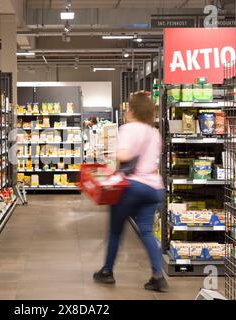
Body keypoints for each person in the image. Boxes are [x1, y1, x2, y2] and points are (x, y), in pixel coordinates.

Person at [93, 91, 168, 292]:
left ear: (132, 110)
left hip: (132, 187)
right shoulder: (154, 132)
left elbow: (124, 155)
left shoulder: (128, 129)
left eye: (127, 108)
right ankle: (157, 275)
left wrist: (112, 152)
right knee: (147, 231)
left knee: (116, 230)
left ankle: (107, 271)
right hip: (154, 187)